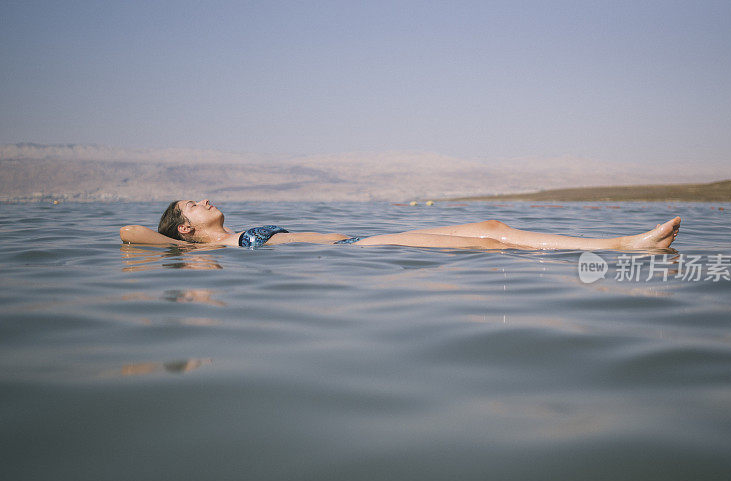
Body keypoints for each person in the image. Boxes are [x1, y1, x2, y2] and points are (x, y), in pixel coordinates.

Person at [119, 199, 681, 251]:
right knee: (487, 239)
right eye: (193, 205)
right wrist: (178, 247)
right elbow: (129, 234)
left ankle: (620, 243)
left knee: (491, 224)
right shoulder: (206, 253)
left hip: (359, 241)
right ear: (186, 231)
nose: (206, 200)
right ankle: (624, 246)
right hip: (361, 250)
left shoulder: (227, 242)